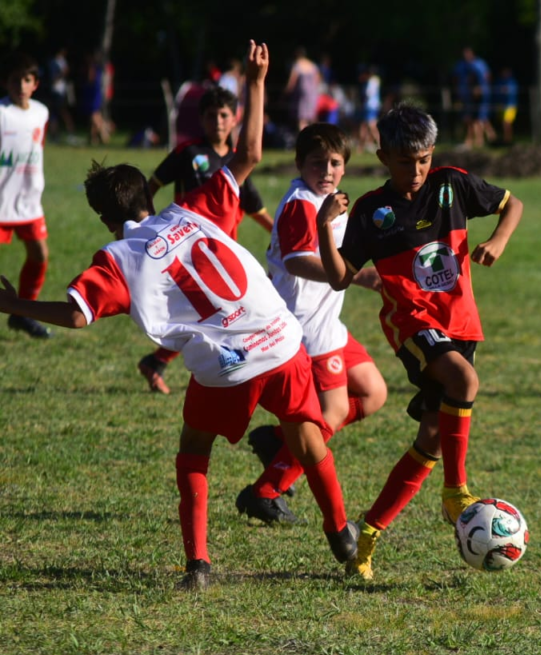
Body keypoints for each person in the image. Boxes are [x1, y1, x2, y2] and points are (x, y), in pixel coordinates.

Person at [0, 41, 358, 591]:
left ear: (103, 217)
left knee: (194, 449)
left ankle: (198, 565)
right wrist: (257, 83)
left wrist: (10, 303)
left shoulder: (118, 258)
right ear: (148, 192)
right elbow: (250, 153)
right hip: (282, 338)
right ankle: (341, 532)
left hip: (228, 362)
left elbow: (75, 316)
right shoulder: (193, 208)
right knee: (308, 439)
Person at [315, 103, 524, 581]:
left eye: (424, 159)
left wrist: (499, 239)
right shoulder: (371, 211)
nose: (416, 171)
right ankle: (456, 491)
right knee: (463, 378)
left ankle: (365, 540)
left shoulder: (451, 183)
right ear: (383, 155)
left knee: (430, 439)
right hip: (412, 324)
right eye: (406, 161)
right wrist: (323, 227)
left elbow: (513, 203)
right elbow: (339, 277)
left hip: (461, 323)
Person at [235, 122, 388, 524]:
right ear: (300, 163)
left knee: (372, 393)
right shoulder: (303, 203)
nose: (327, 169)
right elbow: (296, 260)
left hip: (327, 322)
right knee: (334, 410)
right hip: (304, 327)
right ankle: (265, 491)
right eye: (317, 162)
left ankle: (286, 441)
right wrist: (356, 275)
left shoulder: (331, 201)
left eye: (335, 162)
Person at [137, 85, 275, 395]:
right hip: (189, 252)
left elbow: (256, 210)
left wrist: (281, 237)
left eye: (224, 115)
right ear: (201, 119)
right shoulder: (188, 153)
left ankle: (161, 362)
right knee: (217, 313)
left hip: (224, 256)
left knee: (214, 314)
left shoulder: (239, 164)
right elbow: (152, 185)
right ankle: (229, 367)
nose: (218, 121)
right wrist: (148, 222)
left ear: (235, 119)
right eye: (211, 115)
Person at [1, 53, 53, 340]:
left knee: (39, 255)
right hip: (0, 202)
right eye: (15, 80)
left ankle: (22, 315)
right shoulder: (2, 113)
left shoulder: (41, 113)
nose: (20, 85)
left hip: (28, 202)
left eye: (26, 80)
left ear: (35, 84)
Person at [284, 46, 320, 132]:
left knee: (302, 118)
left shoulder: (297, 65)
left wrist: (286, 92)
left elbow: (292, 81)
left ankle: (304, 137)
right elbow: (317, 79)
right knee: (312, 116)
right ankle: (315, 135)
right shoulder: (312, 65)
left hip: (301, 94)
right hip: (312, 93)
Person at [356, 64, 381, 153]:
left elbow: (368, 94)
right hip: (372, 106)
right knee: (364, 126)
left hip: (370, 106)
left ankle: (379, 144)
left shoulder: (372, 82)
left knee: (371, 126)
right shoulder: (375, 81)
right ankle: (361, 147)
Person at [494, 67, 518, 145]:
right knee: (502, 123)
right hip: (501, 105)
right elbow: (497, 92)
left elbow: (510, 92)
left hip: (510, 105)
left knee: (506, 122)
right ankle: (505, 139)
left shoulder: (512, 82)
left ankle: (508, 139)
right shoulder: (499, 81)